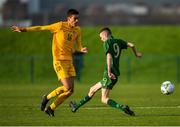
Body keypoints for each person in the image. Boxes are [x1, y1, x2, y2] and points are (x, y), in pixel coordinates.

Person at [11, 9, 88, 117]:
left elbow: (78, 45)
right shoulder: (60, 26)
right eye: (75, 19)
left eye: (78, 18)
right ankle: (46, 98)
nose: (77, 21)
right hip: (59, 60)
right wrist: (23, 29)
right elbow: (41, 27)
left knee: (70, 91)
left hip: (69, 61)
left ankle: (51, 108)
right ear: (68, 19)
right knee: (66, 87)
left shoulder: (78, 30)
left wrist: (81, 49)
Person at [69, 27, 142, 116]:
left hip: (110, 74)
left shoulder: (107, 43)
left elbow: (109, 56)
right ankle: (76, 106)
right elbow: (132, 45)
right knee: (92, 89)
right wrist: (136, 54)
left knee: (104, 98)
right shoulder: (118, 41)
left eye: (101, 37)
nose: (101, 39)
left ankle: (122, 107)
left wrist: (109, 72)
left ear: (105, 35)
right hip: (113, 73)